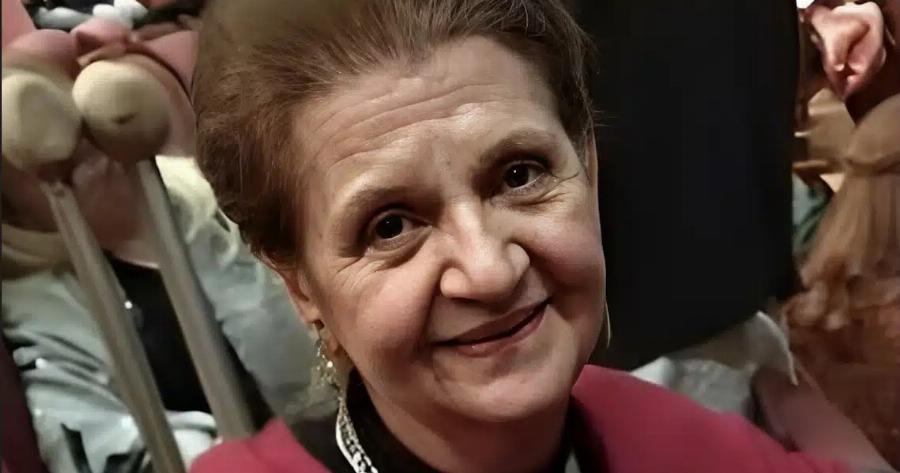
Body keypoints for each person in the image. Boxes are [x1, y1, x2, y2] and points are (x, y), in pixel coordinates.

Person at [188, 1, 893, 472]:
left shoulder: (678, 440)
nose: (489, 270)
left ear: (586, 164)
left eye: (518, 175)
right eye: (391, 225)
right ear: (299, 282)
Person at [0, 4, 316, 470]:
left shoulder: (220, 195)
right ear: (14, 211)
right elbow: (94, 443)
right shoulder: (42, 307)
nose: (75, 147)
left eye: (74, 116)